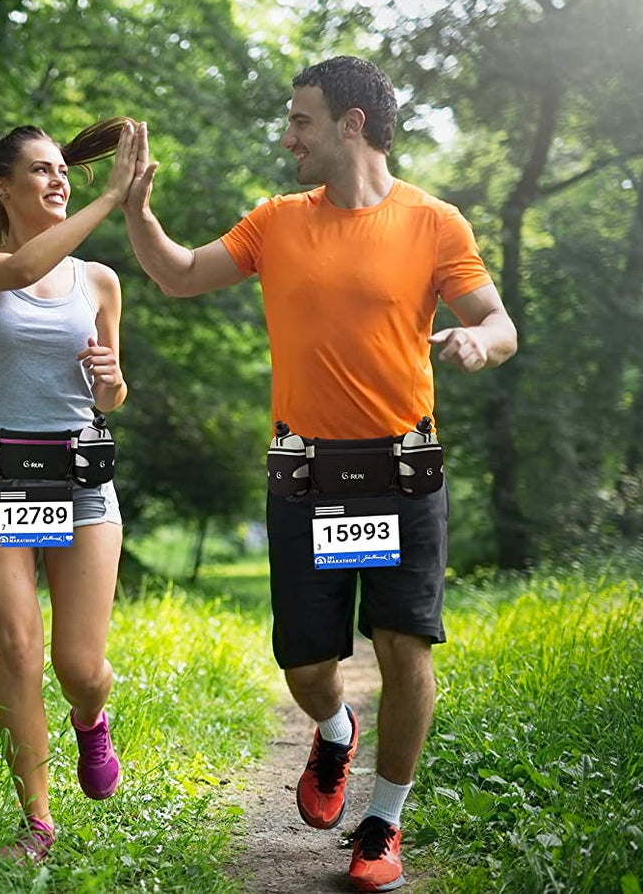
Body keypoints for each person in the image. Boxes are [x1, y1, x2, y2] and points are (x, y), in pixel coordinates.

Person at [122, 57, 517, 891]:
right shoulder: (275, 222)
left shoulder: (434, 222)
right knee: (306, 666)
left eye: (300, 120)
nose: (286, 136)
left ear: (351, 125)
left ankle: (382, 822)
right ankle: (332, 728)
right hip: (305, 475)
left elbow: (496, 319)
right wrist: (136, 211)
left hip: (403, 469)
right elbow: (179, 274)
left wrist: (481, 341)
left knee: (405, 645)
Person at [0, 117, 138, 863]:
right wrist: (113, 195)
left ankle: (92, 719)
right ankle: (36, 821)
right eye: (41, 170)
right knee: (17, 646)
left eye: (64, 169)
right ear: (1, 186)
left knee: (76, 666)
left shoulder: (99, 281)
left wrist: (111, 382)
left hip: (80, 480)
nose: (59, 180)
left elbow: (113, 392)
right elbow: (25, 268)